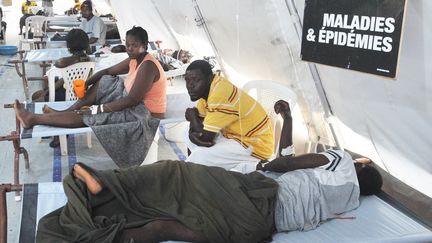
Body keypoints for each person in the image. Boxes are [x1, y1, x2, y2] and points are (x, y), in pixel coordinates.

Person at [36, 99, 383, 242]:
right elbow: (290, 160)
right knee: (168, 222)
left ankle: (108, 187)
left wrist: (273, 164)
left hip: (255, 193)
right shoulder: (350, 200)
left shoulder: (340, 162)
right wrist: (288, 120)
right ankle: (127, 233)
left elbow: (287, 162)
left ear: (361, 164)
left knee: (176, 174)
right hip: (256, 227)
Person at [14, 26, 166, 166]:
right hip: (132, 101)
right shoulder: (134, 59)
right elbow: (107, 72)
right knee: (106, 80)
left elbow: (132, 100)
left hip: (143, 112)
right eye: (128, 45)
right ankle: (65, 113)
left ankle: (33, 119)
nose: (130, 49)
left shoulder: (148, 65)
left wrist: (98, 109)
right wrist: (87, 83)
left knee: (92, 116)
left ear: (145, 45)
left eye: (135, 45)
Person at [184, 60, 274, 173]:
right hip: (234, 135)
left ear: (209, 78)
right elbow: (200, 124)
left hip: (255, 144)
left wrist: (193, 118)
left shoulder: (220, 93)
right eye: (187, 80)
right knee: (188, 136)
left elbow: (205, 136)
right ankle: (203, 170)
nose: (190, 86)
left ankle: (195, 173)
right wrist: (194, 134)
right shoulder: (207, 90)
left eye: (196, 80)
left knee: (199, 157)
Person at [31, 28, 91, 147]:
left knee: (38, 101)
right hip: (76, 93)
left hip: (69, 94)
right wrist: (46, 91)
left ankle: (57, 131)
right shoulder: (87, 58)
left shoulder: (72, 60)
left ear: (68, 45)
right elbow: (65, 78)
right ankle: (52, 126)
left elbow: (59, 63)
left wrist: (77, 57)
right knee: (37, 95)